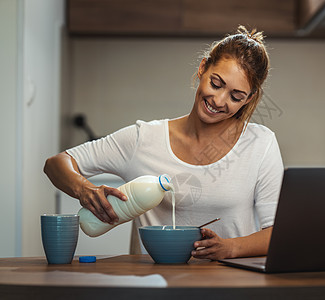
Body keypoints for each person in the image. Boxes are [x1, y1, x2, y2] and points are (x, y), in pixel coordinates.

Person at [44, 26, 284, 260]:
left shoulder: (260, 144)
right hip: (151, 286)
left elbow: (278, 234)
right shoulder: (144, 139)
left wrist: (228, 248)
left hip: (228, 287)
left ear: (249, 98)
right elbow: (57, 163)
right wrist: (85, 190)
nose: (219, 100)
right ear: (203, 68)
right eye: (216, 83)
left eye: (235, 96)